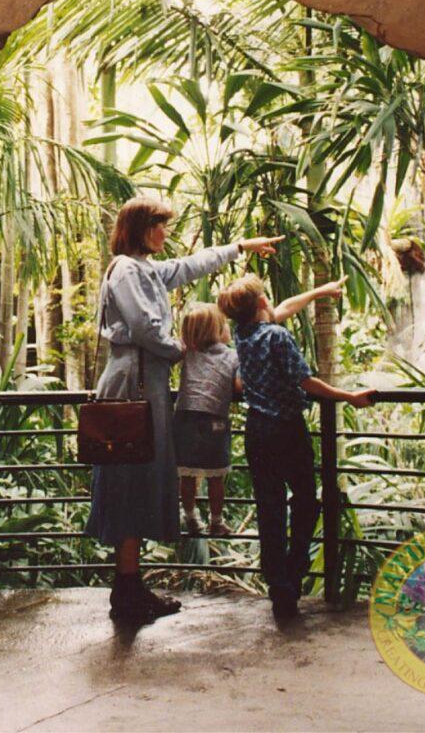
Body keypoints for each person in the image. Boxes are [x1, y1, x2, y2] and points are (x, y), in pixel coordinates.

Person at [85, 195, 283, 621]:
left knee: (140, 482)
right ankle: (126, 592)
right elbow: (145, 327)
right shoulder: (125, 269)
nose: (166, 233)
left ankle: (130, 588)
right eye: (160, 225)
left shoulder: (147, 270)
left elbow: (191, 265)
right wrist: (184, 350)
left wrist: (241, 248)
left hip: (145, 384)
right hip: (132, 386)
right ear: (140, 227)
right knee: (129, 482)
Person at [218, 273, 374, 621]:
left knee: (270, 508)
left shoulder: (244, 334)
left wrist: (321, 291)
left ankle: (280, 587)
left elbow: (284, 308)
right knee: (305, 500)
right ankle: (295, 568)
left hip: (257, 431)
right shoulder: (277, 336)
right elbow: (305, 381)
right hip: (287, 430)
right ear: (262, 303)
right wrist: (348, 396)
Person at [173, 303, 242, 537]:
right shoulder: (233, 355)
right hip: (214, 419)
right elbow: (240, 386)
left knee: (188, 473)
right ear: (216, 330)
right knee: (216, 475)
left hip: (184, 418)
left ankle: (190, 516)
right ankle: (216, 521)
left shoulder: (188, 353)